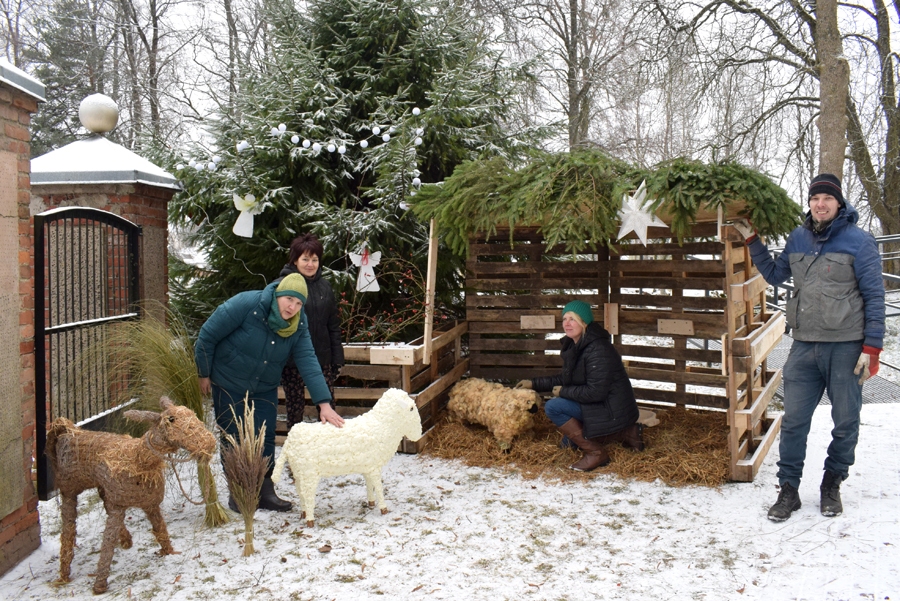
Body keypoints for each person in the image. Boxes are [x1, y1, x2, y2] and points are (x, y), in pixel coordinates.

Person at [734, 173, 885, 522]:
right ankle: (788, 489)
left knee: (846, 421)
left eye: (827, 199)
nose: (820, 204)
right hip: (803, 346)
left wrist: (872, 347)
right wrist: (753, 240)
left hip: (846, 347)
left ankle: (832, 482)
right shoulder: (798, 237)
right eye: (815, 198)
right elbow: (774, 274)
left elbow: (875, 296)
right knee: (794, 421)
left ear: (838, 204)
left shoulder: (860, 242)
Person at [195, 273, 345, 512]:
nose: (292, 307)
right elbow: (207, 335)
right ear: (277, 294)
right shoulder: (247, 304)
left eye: (298, 304)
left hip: (264, 385)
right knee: (233, 437)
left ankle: (265, 492)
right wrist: (204, 373)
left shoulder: (298, 324)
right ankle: (239, 493)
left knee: (265, 439)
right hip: (228, 381)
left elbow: (308, 360)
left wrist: (324, 403)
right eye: (288, 299)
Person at [516, 300, 644, 472]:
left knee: (554, 406)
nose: (567, 324)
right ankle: (627, 433)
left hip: (610, 408)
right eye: (564, 319)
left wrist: (564, 392)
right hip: (600, 404)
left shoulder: (598, 349)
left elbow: (596, 392)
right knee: (568, 445)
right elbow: (568, 379)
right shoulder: (577, 344)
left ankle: (596, 452)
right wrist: (534, 383)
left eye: (572, 319)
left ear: (584, 322)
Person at [277, 233, 345, 429]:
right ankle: (296, 452)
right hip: (292, 360)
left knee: (327, 406)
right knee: (295, 409)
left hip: (321, 358)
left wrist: (336, 358)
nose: (310, 264)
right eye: (305, 259)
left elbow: (333, 325)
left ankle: (328, 452)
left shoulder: (325, 286)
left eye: (314, 259)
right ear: (295, 260)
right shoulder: (285, 285)